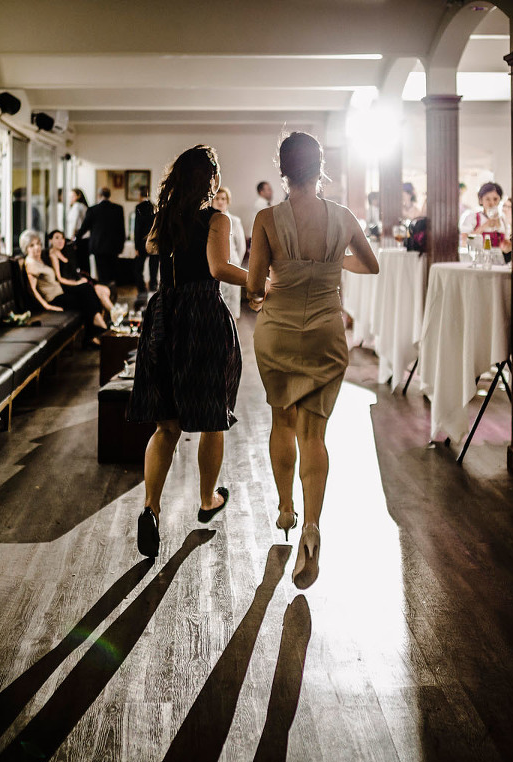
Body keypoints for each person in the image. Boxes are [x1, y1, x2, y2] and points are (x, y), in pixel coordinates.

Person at [246, 131, 379, 589]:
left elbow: (254, 286)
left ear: (282, 170)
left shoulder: (267, 217)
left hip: (278, 332)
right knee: (315, 433)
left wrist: (270, 287)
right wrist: (333, 263)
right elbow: (371, 264)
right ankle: (312, 528)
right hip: (325, 332)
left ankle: (286, 507)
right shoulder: (342, 217)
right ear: (319, 167)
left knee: (281, 420)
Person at [127, 145, 248, 558]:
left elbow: (153, 251)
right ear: (211, 180)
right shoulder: (217, 219)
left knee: (166, 427)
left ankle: (151, 507)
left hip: (165, 314)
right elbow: (218, 269)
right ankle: (207, 498)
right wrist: (259, 280)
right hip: (201, 318)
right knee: (212, 419)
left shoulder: (164, 219)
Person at [18, 229, 109, 344]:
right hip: (54, 299)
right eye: (32, 246)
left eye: (38, 244)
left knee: (86, 289)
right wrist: (48, 306)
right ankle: (98, 328)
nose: (37, 248)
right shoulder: (31, 263)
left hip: (60, 294)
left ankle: (95, 329)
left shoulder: (39, 259)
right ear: (26, 248)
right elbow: (32, 290)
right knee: (85, 297)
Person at [47, 229, 114, 314]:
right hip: (68, 286)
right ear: (50, 240)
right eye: (57, 238)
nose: (60, 241)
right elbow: (60, 279)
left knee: (104, 290)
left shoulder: (65, 251)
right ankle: (114, 314)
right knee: (97, 292)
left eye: (62, 238)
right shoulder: (53, 255)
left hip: (76, 280)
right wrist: (77, 283)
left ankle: (113, 315)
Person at [76, 187, 126, 285]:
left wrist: (76, 238)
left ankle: (105, 294)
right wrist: (121, 246)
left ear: (99, 196)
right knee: (112, 274)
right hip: (113, 247)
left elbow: (84, 227)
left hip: (98, 247)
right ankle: (112, 293)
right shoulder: (118, 209)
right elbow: (121, 230)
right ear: (109, 195)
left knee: (102, 274)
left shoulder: (93, 209)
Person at [211, 185, 246, 320]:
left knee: (231, 311)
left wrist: (233, 262)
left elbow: (241, 246)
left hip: (231, 264)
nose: (220, 201)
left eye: (223, 199)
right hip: (215, 269)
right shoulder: (210, 220)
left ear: (227, 201)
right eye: (217, 198)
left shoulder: (235, 221)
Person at [459, 181, 512, 259]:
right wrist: (485, 225)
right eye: (487, 199)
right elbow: (464, 241)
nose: (492, 203)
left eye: (495, 199)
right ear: (481, 200)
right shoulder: (473, 217)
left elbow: (506, 247)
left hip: (498, 260)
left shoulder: (502, 219)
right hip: (478, 259)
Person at [133, 187, 158, 292]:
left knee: (139, 267)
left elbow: (137, 228)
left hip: (142, 241)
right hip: (154, 240)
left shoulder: (139, 207)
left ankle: (141, 286)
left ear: (140, 195)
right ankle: (153, 285)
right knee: (154, 265)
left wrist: (136, 246)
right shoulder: (155, 206)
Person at [68, 188, 90, 277]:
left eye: (72, 196)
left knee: (80, 262)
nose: (70, 198)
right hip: (85, 238)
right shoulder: (84, 206)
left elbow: (74, 223)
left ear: (78, 196)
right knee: (85, 262)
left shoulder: (77, 206)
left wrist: (71, 237)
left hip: (79, 238)